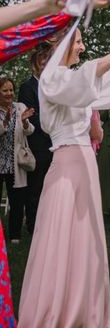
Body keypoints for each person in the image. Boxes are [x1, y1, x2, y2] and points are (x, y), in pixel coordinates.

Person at [18, 29, 110, 327]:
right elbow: (87, 78)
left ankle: (83, 306)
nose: (83, 46)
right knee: (62, 237)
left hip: (85, 162)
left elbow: (107, 82)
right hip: (68, 164)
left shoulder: (73, 78)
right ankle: (56, 310)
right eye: (79, 41)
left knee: (85, 240)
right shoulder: (52, 77)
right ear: (60, 45)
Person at [18, 46, 53, 236]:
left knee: (51, 189)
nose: (44, 64)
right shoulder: (27, 87)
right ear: (34, 64)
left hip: (55, 145)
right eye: (41, 61)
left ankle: (49, 225)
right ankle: (33, 227)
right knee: (36, 189)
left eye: (47, 61)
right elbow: (32, 118)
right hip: (38, 145)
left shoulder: (54, 86)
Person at [0, 77, 35, 244]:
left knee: (17, 201)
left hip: (15, 162)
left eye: (11, 90)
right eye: (5, 90)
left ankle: (15, 235)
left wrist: (24, 122)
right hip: (1, 162)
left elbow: (30, 131)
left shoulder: (20, 107)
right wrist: (4, 123)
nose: (9, 93)